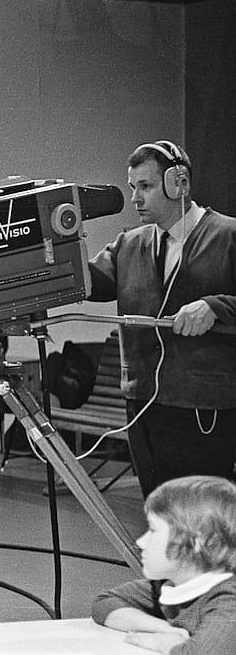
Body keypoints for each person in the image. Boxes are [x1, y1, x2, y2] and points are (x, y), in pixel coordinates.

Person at [88, 140, 236, 498]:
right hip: (143, 405)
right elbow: (87, 282)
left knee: (199, 520)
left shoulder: (229, 236)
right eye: (132, 187)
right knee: (158, 512)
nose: (136, 198)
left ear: (178, 184)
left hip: (201, 406)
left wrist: (216, 306)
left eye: (146, 186)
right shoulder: (128, 244)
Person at [91, 475, 236, 654]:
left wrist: (164, 644)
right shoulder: (169, 586)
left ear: (198, 541)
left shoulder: (229, 597)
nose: (141, 541)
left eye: (153, 530)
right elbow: (104, 604)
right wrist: (165, 629)